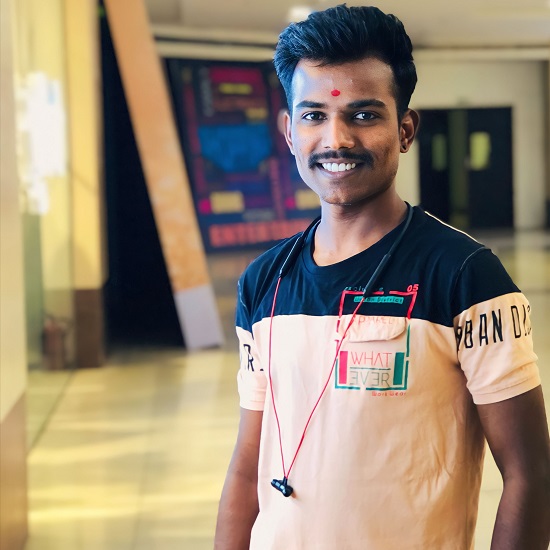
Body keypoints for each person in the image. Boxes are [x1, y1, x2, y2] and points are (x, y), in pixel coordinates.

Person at [214, 5, 550, 549]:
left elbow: (531, 474)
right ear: (290, 132)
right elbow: (246, 469)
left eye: (364, 115)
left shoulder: (465, 276)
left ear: (406, 129)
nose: (337, 139)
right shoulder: (264, 282)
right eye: (314, 115)